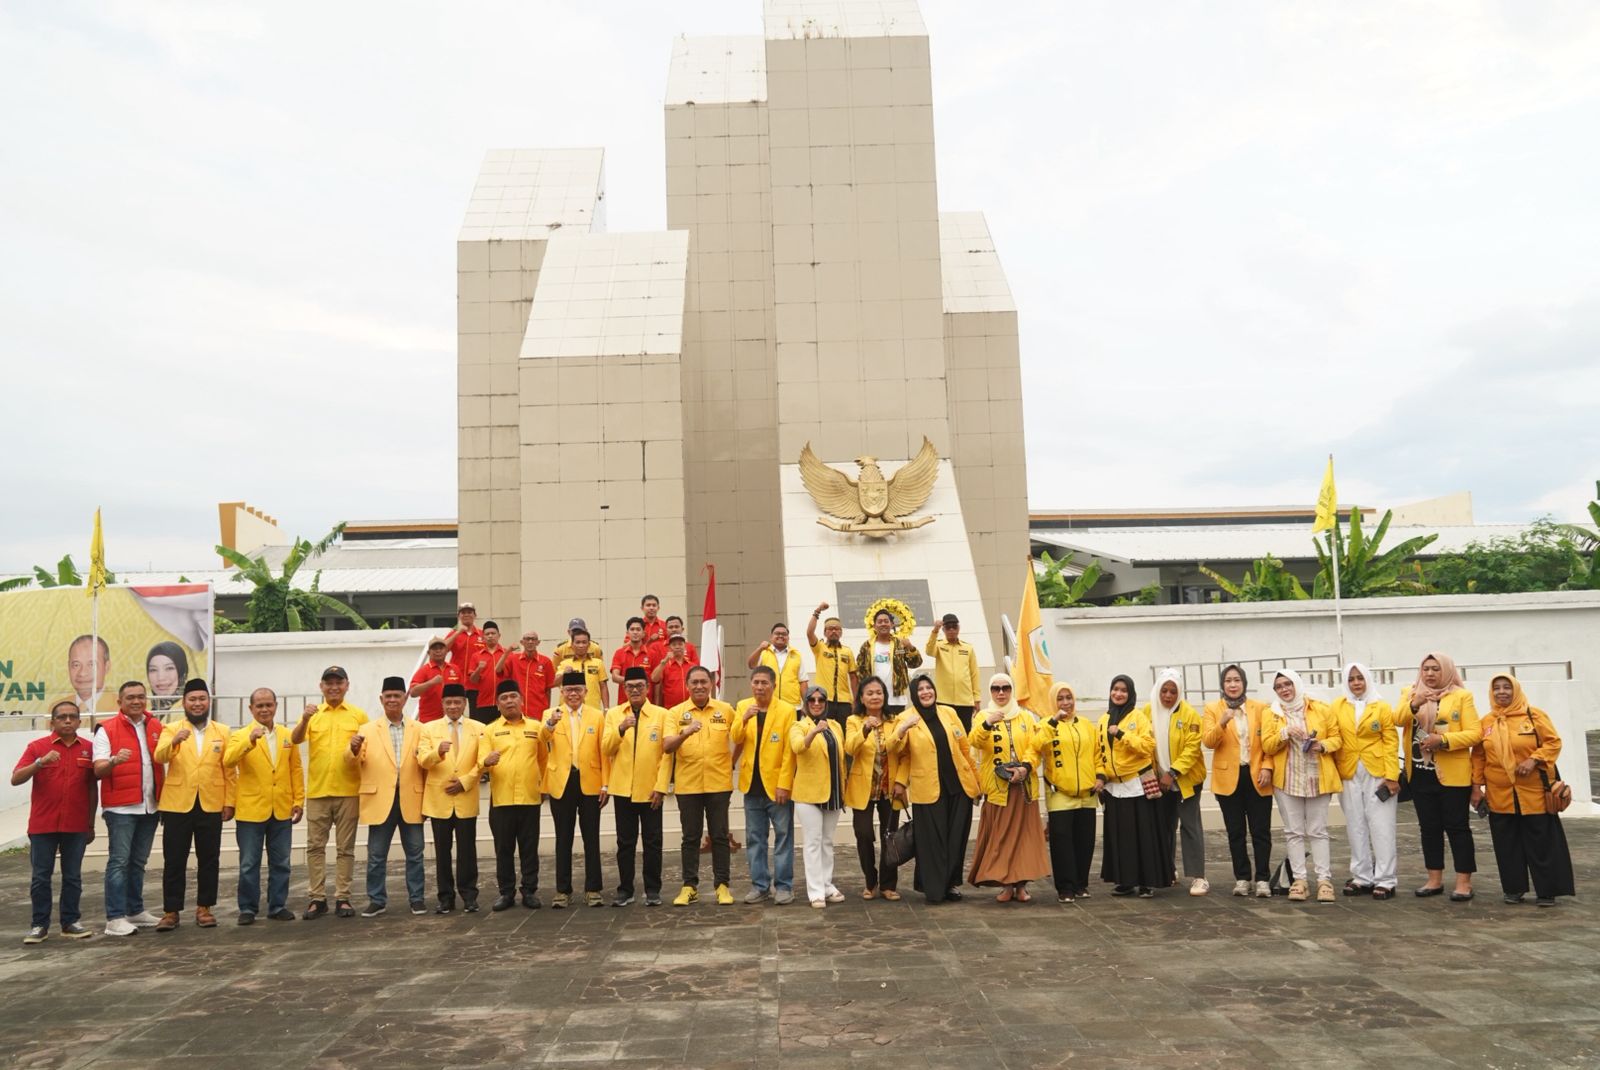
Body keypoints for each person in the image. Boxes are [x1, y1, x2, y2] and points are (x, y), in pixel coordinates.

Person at [1472, 674, 1575, 907]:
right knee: (1506, 843)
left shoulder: (1534, 715)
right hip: (1500, 794)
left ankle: (1547, 891)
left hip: (1535, 793)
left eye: (1507, 688)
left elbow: (1553, 742)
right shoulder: (1486, 722)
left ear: (1516, 690)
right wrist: (1476, 787)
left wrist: (1534, 759)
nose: (1501, 692)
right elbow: (1478, 756)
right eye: (1496, 688)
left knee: (1542, 842)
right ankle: (1514, 889)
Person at [1397, 652, 1481, 900]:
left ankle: (1464, 882)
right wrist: (1415, 703)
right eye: (1426, 669)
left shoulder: (1461, 696)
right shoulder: (1410, 692)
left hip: (1452, 776)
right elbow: (1396, 719)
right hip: (1420, 774)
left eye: (1436, 669)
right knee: (1429, 828)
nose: (1430, 674)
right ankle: (1434, 879)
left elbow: (1475, 734)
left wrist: (1443, 741)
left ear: (1446, 671)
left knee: (1457, 828)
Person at [152, 679, 234, 931]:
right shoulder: (171, 728)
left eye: (202, 699)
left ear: (209, 702)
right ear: (184, 702)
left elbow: (229, 769)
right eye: (192, 699)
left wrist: (230, 801)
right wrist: (175, 741)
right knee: (174, 859)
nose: (197, 704)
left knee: (209, 858)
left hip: (211, 803)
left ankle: (204, 908)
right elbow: (159, 756)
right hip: (177, 805)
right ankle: (171, 911)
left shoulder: (222, 731)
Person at [13, 700, 97, 944]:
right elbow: (16, 778)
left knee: (72, 876)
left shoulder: (88, 749)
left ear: (80, 722)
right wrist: (39, 763)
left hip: (76, 824)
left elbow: (92, 788)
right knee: (41, 876)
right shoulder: (37, 747)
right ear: (53, 721)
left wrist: (90, 823)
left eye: (72, 716)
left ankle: (70, 922)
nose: (68, 720)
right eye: (62, 717)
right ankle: (39, 925)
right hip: (43, 825)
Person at [890, 674, 979, 904]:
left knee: (955, 838)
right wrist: (902, 729)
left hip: (958, 786)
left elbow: (964, 748)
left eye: (929, 687)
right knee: (932, 841)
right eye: (920, 689)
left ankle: (950, 884)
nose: (926, 692)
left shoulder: (948, 712)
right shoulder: (906, 717)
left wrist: (976, 781)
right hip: (928, 789)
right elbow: (894, 749)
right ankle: (934, 888)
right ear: (913, 694)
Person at [291, 665, 369, 919]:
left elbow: (367, 751)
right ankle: (317, 898)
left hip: (349, 790)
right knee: (315, 847)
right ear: (321, 686)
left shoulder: (358, 716)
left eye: (339, 682)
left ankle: (343, 898)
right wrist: (304, 718)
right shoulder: (312, 714)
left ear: (347, 685)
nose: (334, 687)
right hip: (318, 791)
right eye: (329, 683)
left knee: (345, 848)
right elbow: (295, 739)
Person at [1260, 669, 1342, 903]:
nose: (1285, 689)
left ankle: (1324, 880)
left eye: (1288, 684)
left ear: (1297, 684)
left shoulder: (1320, 708)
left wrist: (1322, 745)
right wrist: (1284, 733)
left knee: (1318, 830)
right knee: (1293, 831)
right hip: (1287, 779)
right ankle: (1300, 880)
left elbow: (1337, 738)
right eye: (1279, 686)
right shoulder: (1272, 714)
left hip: (1317, 776)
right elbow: (1267, 745)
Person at [223, 688, 304, 924]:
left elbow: (295, 769)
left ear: (276, 706)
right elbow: (228, 760)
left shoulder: (288, 735)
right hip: (251, 810)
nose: (264, 709)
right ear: (251, 709)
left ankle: (277, 905)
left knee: (281, 862)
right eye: (259, 706)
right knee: (249, 863)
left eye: (268, 705)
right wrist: (250, 741)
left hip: (281, 808)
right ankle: (247, 908)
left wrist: (298, 800)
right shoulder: (241, 735)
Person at [348, 677, 427, 917]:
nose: (393, 700)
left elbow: (425, 762)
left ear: (405, 699)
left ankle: (417, 898)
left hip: (411, 798)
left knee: (415, 853)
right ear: (381, 700)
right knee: (376, 855)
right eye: (388, 696)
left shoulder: (420, 729)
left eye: (397, 696)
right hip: (380, 799)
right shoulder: (367, 730)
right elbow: (353, 760)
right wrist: (352, 749)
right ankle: (377, 899)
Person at [659, 665, 736, 906]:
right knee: (690, 837)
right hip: (688, 785)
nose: (700, 686)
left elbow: (742, 737)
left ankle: (722, 885)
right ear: (687, 685)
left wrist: (731, 763)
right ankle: (689, 886)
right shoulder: (675, 713)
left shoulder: (726, 710)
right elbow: (667, 746)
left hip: (718, 784)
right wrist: (686, 733)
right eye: (695, 682)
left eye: (704, 682)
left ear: (711, 684)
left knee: (720, 836)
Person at [967, 673, 1048, 902]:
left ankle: (1021, 885)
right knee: (1001, 838)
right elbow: (974, 741)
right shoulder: (983, 716)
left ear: (1012, 690)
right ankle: (1006, 885)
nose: (1001, 693)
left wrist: (1025, 768)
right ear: (990, 691)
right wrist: (987, 723)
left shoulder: (1026, 717)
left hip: (1022, 787)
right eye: (995, 688)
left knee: (1024, 839)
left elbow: (1036, 748)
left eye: (1005, 688)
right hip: (998, 789)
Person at [92, 681, 164, 935]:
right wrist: (113, 760)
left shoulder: (155, 725)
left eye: (141, 697)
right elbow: (98, 769)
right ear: (119, 702)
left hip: (150, 806)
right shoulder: (106, 729)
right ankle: (114, 917)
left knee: (138, 862)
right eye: (130, 697)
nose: (136, 701)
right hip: (121, 809)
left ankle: (135, 910)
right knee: (119, 862)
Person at [1201, 664, 1274, 898]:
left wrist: (1267, 767)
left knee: (1261, 830)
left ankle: (1262, 878)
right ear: (1222, 685)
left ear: (1244, 683)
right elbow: (1208, 742)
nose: (1233, 685)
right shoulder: (1213, 709)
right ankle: (1242, 878)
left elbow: (1269, 744)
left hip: (1257, 776)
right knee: (1235, 831)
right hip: (1228, 778)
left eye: (1237, 680)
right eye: (1228, 681)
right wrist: (1222, 722)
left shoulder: (1260, 708)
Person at [1095, 674, 1169, 898]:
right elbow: (1099, 752)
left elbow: (1147, 746)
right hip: (1114, 787)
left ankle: (1147, 881)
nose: (1118, 694)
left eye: (1123, 690)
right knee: (1121, 836)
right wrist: (1100, 775)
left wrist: (1122, 734)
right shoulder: (1103, 720)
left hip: (1137, 784)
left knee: (1142, 835)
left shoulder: (1138, 718)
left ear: (1130, 694)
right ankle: (1126, 880)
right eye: (1115, 689)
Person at [1331, 663, 1399, 899]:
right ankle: (1362, 876)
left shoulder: (1381, 707)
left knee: (1381, 826)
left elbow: (1391, 741)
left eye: (1360, 678)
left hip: (1377, 772)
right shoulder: (1339, 706)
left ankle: (1386, 879)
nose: (1356, 683)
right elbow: (1332, 734)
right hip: (1349, 771)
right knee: (1355, 825)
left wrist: (1392, 776)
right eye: (1351, 679)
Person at [541, 671, 608, 907]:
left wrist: (605, 784)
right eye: (569, 690)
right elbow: (542, 738)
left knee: (592, 838)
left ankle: (593, 889)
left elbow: (604, 753)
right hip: (562, 783)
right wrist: (550, 723)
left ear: (586, 692)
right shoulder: (550, 714)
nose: (573, 694)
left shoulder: (597, 716)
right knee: (563, 838)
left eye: (578, 690)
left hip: (590, 781)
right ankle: (563, 890)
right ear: (562, 693)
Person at [603, 667, 669, 907]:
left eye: (639, 686)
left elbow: (666, 755)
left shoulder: (661, 715)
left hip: (651, 788)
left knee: (653, 841)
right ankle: (625, 889)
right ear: (623, 689)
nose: (634, 691)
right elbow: (606, 749)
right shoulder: (614, 715)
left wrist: (661, 787)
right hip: (623, 789)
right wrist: (621, 728)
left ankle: (653, 889)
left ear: (647, 688)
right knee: (625, 842)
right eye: (629, 687)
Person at [733, 665, 797, 905]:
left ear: (773, 685)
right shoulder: (743, 707)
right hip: (751, 787)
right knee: (755, 839)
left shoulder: (787, 710)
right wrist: (744, 719)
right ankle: (760, 886)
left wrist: (785, 784)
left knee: (783, 838)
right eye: (756, 682)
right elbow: (735, 738)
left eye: (764, 683)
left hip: (777, 787)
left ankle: (784, 886)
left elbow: (789, 752)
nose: (760, 687)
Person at [417, 683, 483, 912]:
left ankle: (469, 896)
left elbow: (482, 762)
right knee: (442, 851)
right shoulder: (429, 728)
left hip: (465, 797)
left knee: (467, 849)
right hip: (439, 799)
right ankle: (445, 897)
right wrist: (438, 752)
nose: (453, 706)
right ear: (442, 704)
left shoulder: (479, 728)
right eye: (448, 702)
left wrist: (465, 782)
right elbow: (423, 760)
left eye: (457, 702)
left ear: (465, 703)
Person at [482, 678, 546, 912]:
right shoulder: (490, 730)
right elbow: (481, 760)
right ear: (497, 704)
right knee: (504, 849)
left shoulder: (536, 727)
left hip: (529, 797)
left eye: (513, 697)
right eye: (504, 698)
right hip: (501, 799)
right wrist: (485, 762)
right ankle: (506, 892)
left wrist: (542, 784)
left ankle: (529, 891)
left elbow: (543, 758)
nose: (509, 702)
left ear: (521, 700)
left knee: (530, 848)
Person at [1145, 668, 1208, 896]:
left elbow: (1192, 749)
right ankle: (1166, 871)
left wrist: (1172, 773)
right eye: (1164, 691)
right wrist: (1156, 774)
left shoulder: (1189, 714)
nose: (1168, 696)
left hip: (1185, 779)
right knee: (1163, 827)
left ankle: (1199, 877)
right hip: (1159, 780)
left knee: (1190, 826)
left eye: (1173, 691)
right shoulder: (1147, 712)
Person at [1035, 683, 1098, 902]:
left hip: (1087, 795)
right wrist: (1053, 721)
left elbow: (1097, 753)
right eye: (1060, 698)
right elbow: (1036, 744)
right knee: (1062, 843)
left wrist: (1100, 776)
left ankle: (1081, 884)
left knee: (1085, 841)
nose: (1065, 703)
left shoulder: (1086, 725)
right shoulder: (1045, 724)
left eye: (1068, 697)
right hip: (1060, 793)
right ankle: (1066, 887)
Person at [844, 677, 903, 900]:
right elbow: (850, 748)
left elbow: (903, 753)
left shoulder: (894, 721)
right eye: (869, 693)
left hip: (890, 787)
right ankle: (871, 881)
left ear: (884, 696)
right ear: (861, 698)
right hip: (863, 789)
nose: (875, 696)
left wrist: (901, 782)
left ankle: (888, 884)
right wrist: (865, 730)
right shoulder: (853, 721)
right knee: (864, 834)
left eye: (879, 692)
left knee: (890, 837)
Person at [791, 687, 847, 908]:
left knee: (827, 842)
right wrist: (813, 732)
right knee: (813, 842)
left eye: (821, 700)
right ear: (805, 703)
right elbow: (797, 747)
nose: (816, 703)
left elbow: (841, 759)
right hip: (808, 794)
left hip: (832, 792)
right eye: (812, 700)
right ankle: (815, 891)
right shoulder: (799, 725)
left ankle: (826, 884)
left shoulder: (834, 726)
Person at [856, 610, 922, 713]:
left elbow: (915, 664)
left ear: (892, 624)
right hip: (874, 698)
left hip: (897, 699)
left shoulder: (900, 644)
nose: (883, 624)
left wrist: (910, 647)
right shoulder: (867, 646)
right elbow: (860, 671)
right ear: (874, 625)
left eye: (886, 621)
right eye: (880, 621)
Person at [924, 614, 980, 731]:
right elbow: (929, 651)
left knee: (965, 733)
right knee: (946, 732)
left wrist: (977, 698)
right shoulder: (939, 645)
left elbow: (974, 673)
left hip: (965, 700)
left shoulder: (967, 648)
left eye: (954, 627)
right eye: (948, 627)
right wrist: (935, 630)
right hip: (944, 700)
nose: (951, 630)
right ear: (944, 629)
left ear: (958, 628)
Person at [805, 602, 856, 728]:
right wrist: (817, 611)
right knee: (824, 732)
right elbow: (809, 633)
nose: (834, 631)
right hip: (824, 700)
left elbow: (854, 677)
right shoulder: (819, 648)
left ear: (841, 632)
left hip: (844, 701)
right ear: (825, 632)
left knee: (844, 734)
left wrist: (856, 700)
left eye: (837, 629)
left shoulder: (847, 651)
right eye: (830, 629)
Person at [747, 623, 804, 707]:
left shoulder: (796, 655)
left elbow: (803, 681)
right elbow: (751, 665)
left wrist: (806, 704)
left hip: (793, 705)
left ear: (788, 638)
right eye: (777, 633)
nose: (780, 636)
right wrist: (759, 648)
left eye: (784, 634)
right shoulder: (763, 652)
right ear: (771, 637)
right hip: (768, 704)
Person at [467, 620, 513, 725]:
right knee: (484, 733)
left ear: (499, 635)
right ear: (483, 637)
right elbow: (473, 681)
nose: (490, 636)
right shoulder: (476, 656)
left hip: (504, 703)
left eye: (493, 633)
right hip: (483, 703)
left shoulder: (508, 654)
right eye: (487, 634)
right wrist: (479, 669)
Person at [408, 637, 460, 724]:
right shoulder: (424, 670)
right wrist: (431, 682)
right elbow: (413, 692)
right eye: (435, 648)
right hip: (429, 720)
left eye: (441, 648)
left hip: (451, 719)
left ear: (446, 650)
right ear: (428, 653)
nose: (438, 651)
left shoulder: (455, 669)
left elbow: (461, 694)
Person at [556, 628, 610, 711]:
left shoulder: (598, 663)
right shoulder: (564, 663)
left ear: (589, 644)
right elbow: (555, 683)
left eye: (584, 642)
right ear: (572, 645)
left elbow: (603, 687)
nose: (581, 645)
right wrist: (564, 673)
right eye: (577, 642)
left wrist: (606, 708)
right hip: (569, 710)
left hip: (593, 709)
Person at [506, 629, 555, 719]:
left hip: (538, 710)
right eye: (527, 639)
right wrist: (507, 651)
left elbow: (548, 689)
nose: (530, 642)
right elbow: (498, 671)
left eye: (533, 639)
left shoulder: (546, 661)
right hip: (518, 710)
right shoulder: (513, 659)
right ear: (522, 642)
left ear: (538, 642)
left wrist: (547, 709)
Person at [67, 634, 112, 714]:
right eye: (76, 665)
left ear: (107, 666)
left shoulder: (120, 708)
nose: (82, 673)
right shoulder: (56, 708)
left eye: (92, 664)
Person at [651, 633, 695, 710]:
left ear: (685, 647)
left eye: (680, 644)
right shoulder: (665, 665)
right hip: (671, 709)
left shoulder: (692, 666)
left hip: (691, 708)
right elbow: (654, 678)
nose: (677, 647)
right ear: (669, 648)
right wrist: (664, 661)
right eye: (674, 645)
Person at [611, 617, 656, 688]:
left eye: (638, 629)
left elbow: (656, 681)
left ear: (643, 633)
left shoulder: (652, 653)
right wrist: (633, 682)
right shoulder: (619, 653)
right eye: (632, 629)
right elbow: (615, 677)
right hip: (625, 698)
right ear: (627, 633)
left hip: (646, 698)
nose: (635, 632)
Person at [144, 641, 188, 712]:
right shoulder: (144, 712)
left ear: (182, 673)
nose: (161, 677)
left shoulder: (189, 711)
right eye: (153, 670)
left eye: (169, 668)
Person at [443, 601, 485, 669]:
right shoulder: (453, 634)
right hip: (456, 675)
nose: (466, 615)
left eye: (469, 612)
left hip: (476, 675)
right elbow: (443, 650)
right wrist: (458, 633)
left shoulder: (483, 634)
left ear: (475, 615)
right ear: (458, 616)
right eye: (463, 613)